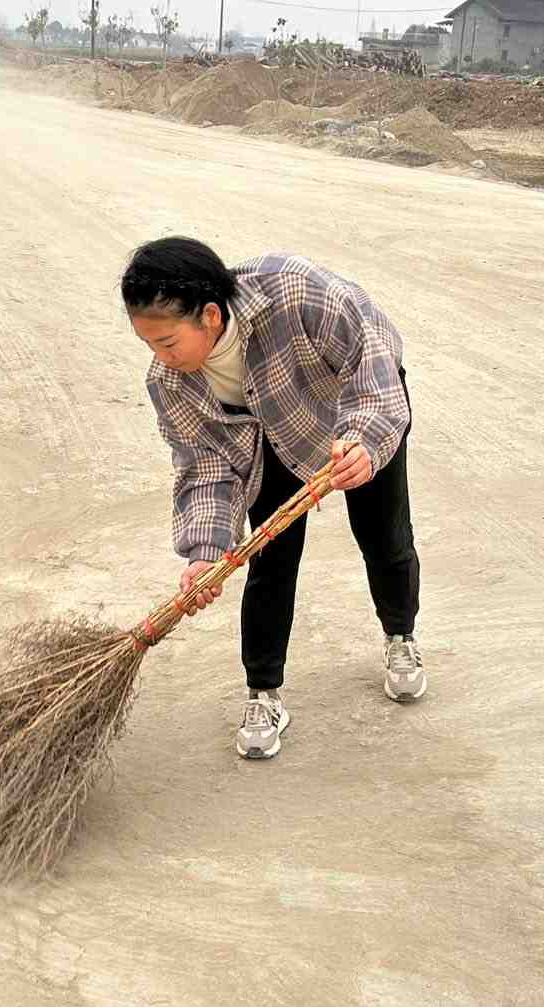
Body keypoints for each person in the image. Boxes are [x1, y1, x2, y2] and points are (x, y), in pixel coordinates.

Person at [121, 237, 426, 761]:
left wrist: (365, 439)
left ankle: (401, 636)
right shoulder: (170, 382)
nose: (161, 358)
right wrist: (206, 552)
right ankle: (263, 693)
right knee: (270, 561)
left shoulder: (293, 289)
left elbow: (371, 355)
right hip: (274, 435)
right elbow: (205, 466)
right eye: (149, 345)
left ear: (210, 315)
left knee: (384, 536)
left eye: (167, 342)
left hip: (354, 412)